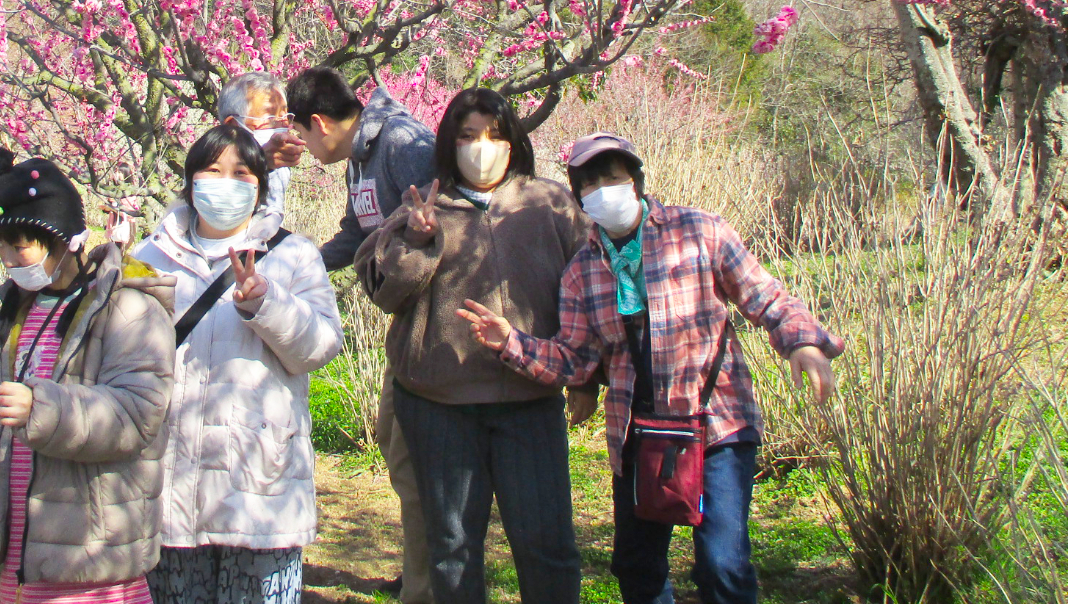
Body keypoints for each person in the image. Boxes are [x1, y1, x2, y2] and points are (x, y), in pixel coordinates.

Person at [460, 132, 844, 604]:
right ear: (579, 196)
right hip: (637, 434)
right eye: (591, 182)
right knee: (637, 567)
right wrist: (511, 343)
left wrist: (802, 341)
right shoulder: (582, 271)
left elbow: (763, 295)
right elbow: (575, 358)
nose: (604, 189)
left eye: (613, 177)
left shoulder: (700, 232)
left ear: (637, 181)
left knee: (723, 566)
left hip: (717, 423)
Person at [355, 89, 590, 604]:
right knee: (452, 547)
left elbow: (591, 295)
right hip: (440, 407)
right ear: (448, 142)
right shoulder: (423, 205)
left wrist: (587, 380)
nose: (481, 147)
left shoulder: (550, 203)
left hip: (530, 400)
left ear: (513, 142)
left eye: (494, 135)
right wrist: (417, 242)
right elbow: (383, 292)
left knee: (546, 543)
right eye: (467, 136)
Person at [0, 148, 176, 604]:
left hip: (90, 553)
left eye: (21, 245)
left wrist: (41, 407)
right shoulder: (18, 309)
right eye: (2, 245)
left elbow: (137, 412)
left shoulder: (128, 308)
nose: (9, 258)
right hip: (22, 547)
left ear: (63, 236)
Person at [133, 124, 343, 604]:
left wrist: (267, 304)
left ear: (261, 186)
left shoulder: (292, 255)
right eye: (213, 170)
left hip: (259, 480)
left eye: (242, 172)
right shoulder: (147, 258)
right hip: (171, 480)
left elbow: (321, 347)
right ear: (190, 184)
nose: (226, 182)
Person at [285, 66, 437, 603]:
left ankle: (428, 586)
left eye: (300, 132)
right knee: (396, 447)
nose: (301, 144)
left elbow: (447, 223)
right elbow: (356, 233)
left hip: (435, 330)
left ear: (319, 122)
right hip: (406, 326)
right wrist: (293, 266)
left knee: (415, 461)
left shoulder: (400, 142)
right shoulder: (360, 158)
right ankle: (422, 570)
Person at [216, 71, 303, 216]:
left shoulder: (279, 163)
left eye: (285, 115)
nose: (282, 123)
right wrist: (259, 162)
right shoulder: (206, 161)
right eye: (269, 116)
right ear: (233, 125)